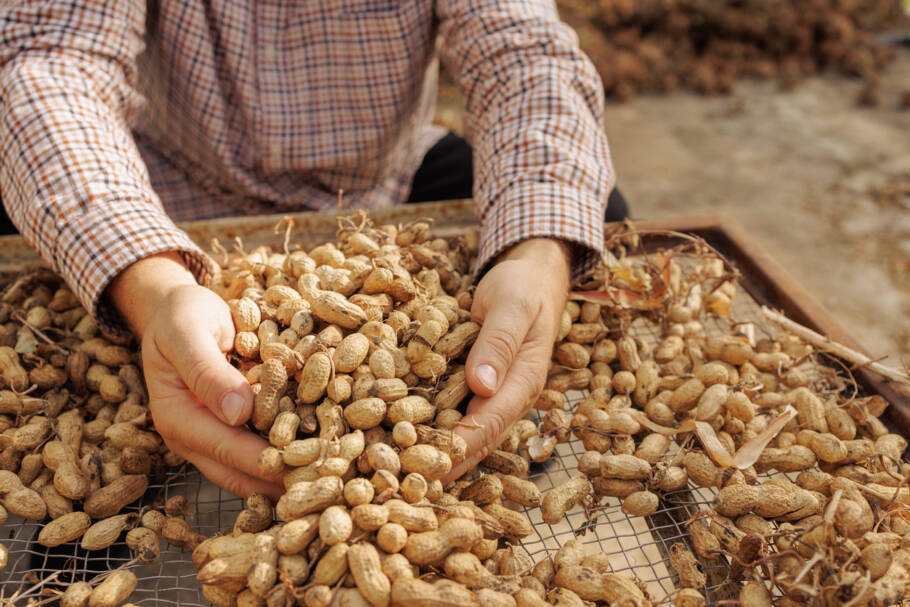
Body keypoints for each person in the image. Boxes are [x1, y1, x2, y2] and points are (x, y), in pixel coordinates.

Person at [0, 1, 618, 498]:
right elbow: (49, 63)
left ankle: (497, 455)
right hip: (164, 197)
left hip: (379, 194)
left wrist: (538, 254)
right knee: (25, 191)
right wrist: (152, 283)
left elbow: (523, 56)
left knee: (583, 220)